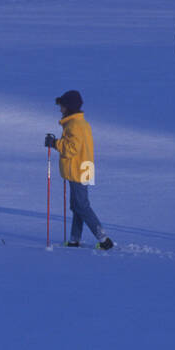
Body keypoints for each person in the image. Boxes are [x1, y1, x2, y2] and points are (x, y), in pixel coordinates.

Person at [45, 90, 113, 250]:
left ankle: (104, 240)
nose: (60, 108)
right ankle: (74, 239)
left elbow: (71, 149)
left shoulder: (74, 125)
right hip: (84, 167)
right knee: (77, 206)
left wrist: (55, 143)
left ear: (68, 107)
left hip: (78, 169)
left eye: (61, 105)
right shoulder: (80, 123)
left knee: (81, 206)